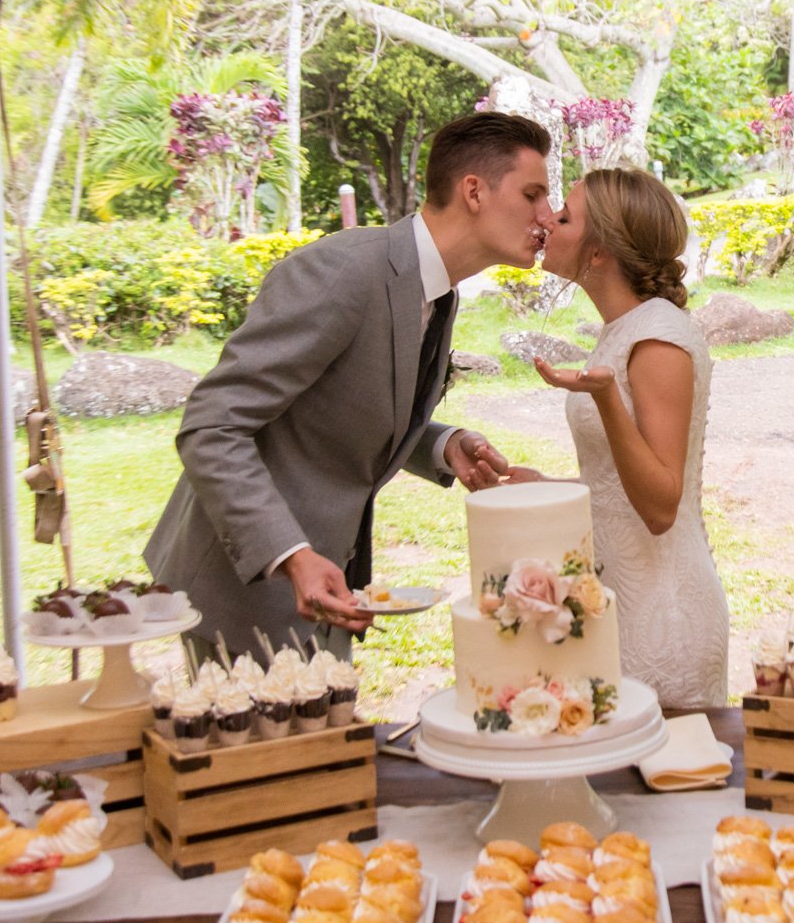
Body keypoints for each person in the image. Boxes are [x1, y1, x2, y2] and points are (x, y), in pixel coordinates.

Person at [145, 112, 553, 661]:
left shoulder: (441, 292)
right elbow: (212, 425)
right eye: (533, 195)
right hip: (248, 591)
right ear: (474, 191)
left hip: (326, 588)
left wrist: (439, 442)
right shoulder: (344, 272)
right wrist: (291, 555)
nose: (547, 217)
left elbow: (343, 403)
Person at [504, 168, 728, 707]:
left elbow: (659, 505)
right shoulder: (624, 328)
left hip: (662, 618)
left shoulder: (658, 336)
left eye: (563, 217)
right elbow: (615, 486)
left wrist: (605, 399)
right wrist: (544, 488)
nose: (547, 223)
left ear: (599, 250)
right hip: (617, 603)